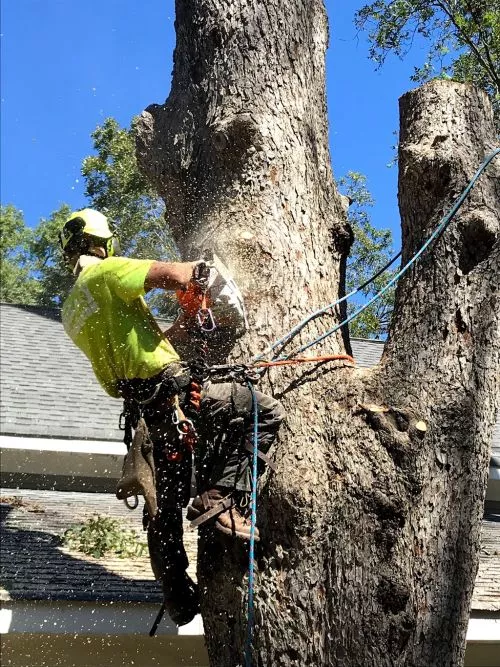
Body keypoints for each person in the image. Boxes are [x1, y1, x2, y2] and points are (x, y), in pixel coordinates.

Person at [59, 208, 284, 627]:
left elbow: (140, 347)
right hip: (178, 397)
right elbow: (185, 273)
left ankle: (177, 593)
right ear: (104, 243)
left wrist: (183, 324)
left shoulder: (71, 309)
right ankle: (219, 500)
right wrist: (202, 284)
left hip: (146, 414)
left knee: (164, 509)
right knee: (260, 409)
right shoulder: (109, 273)